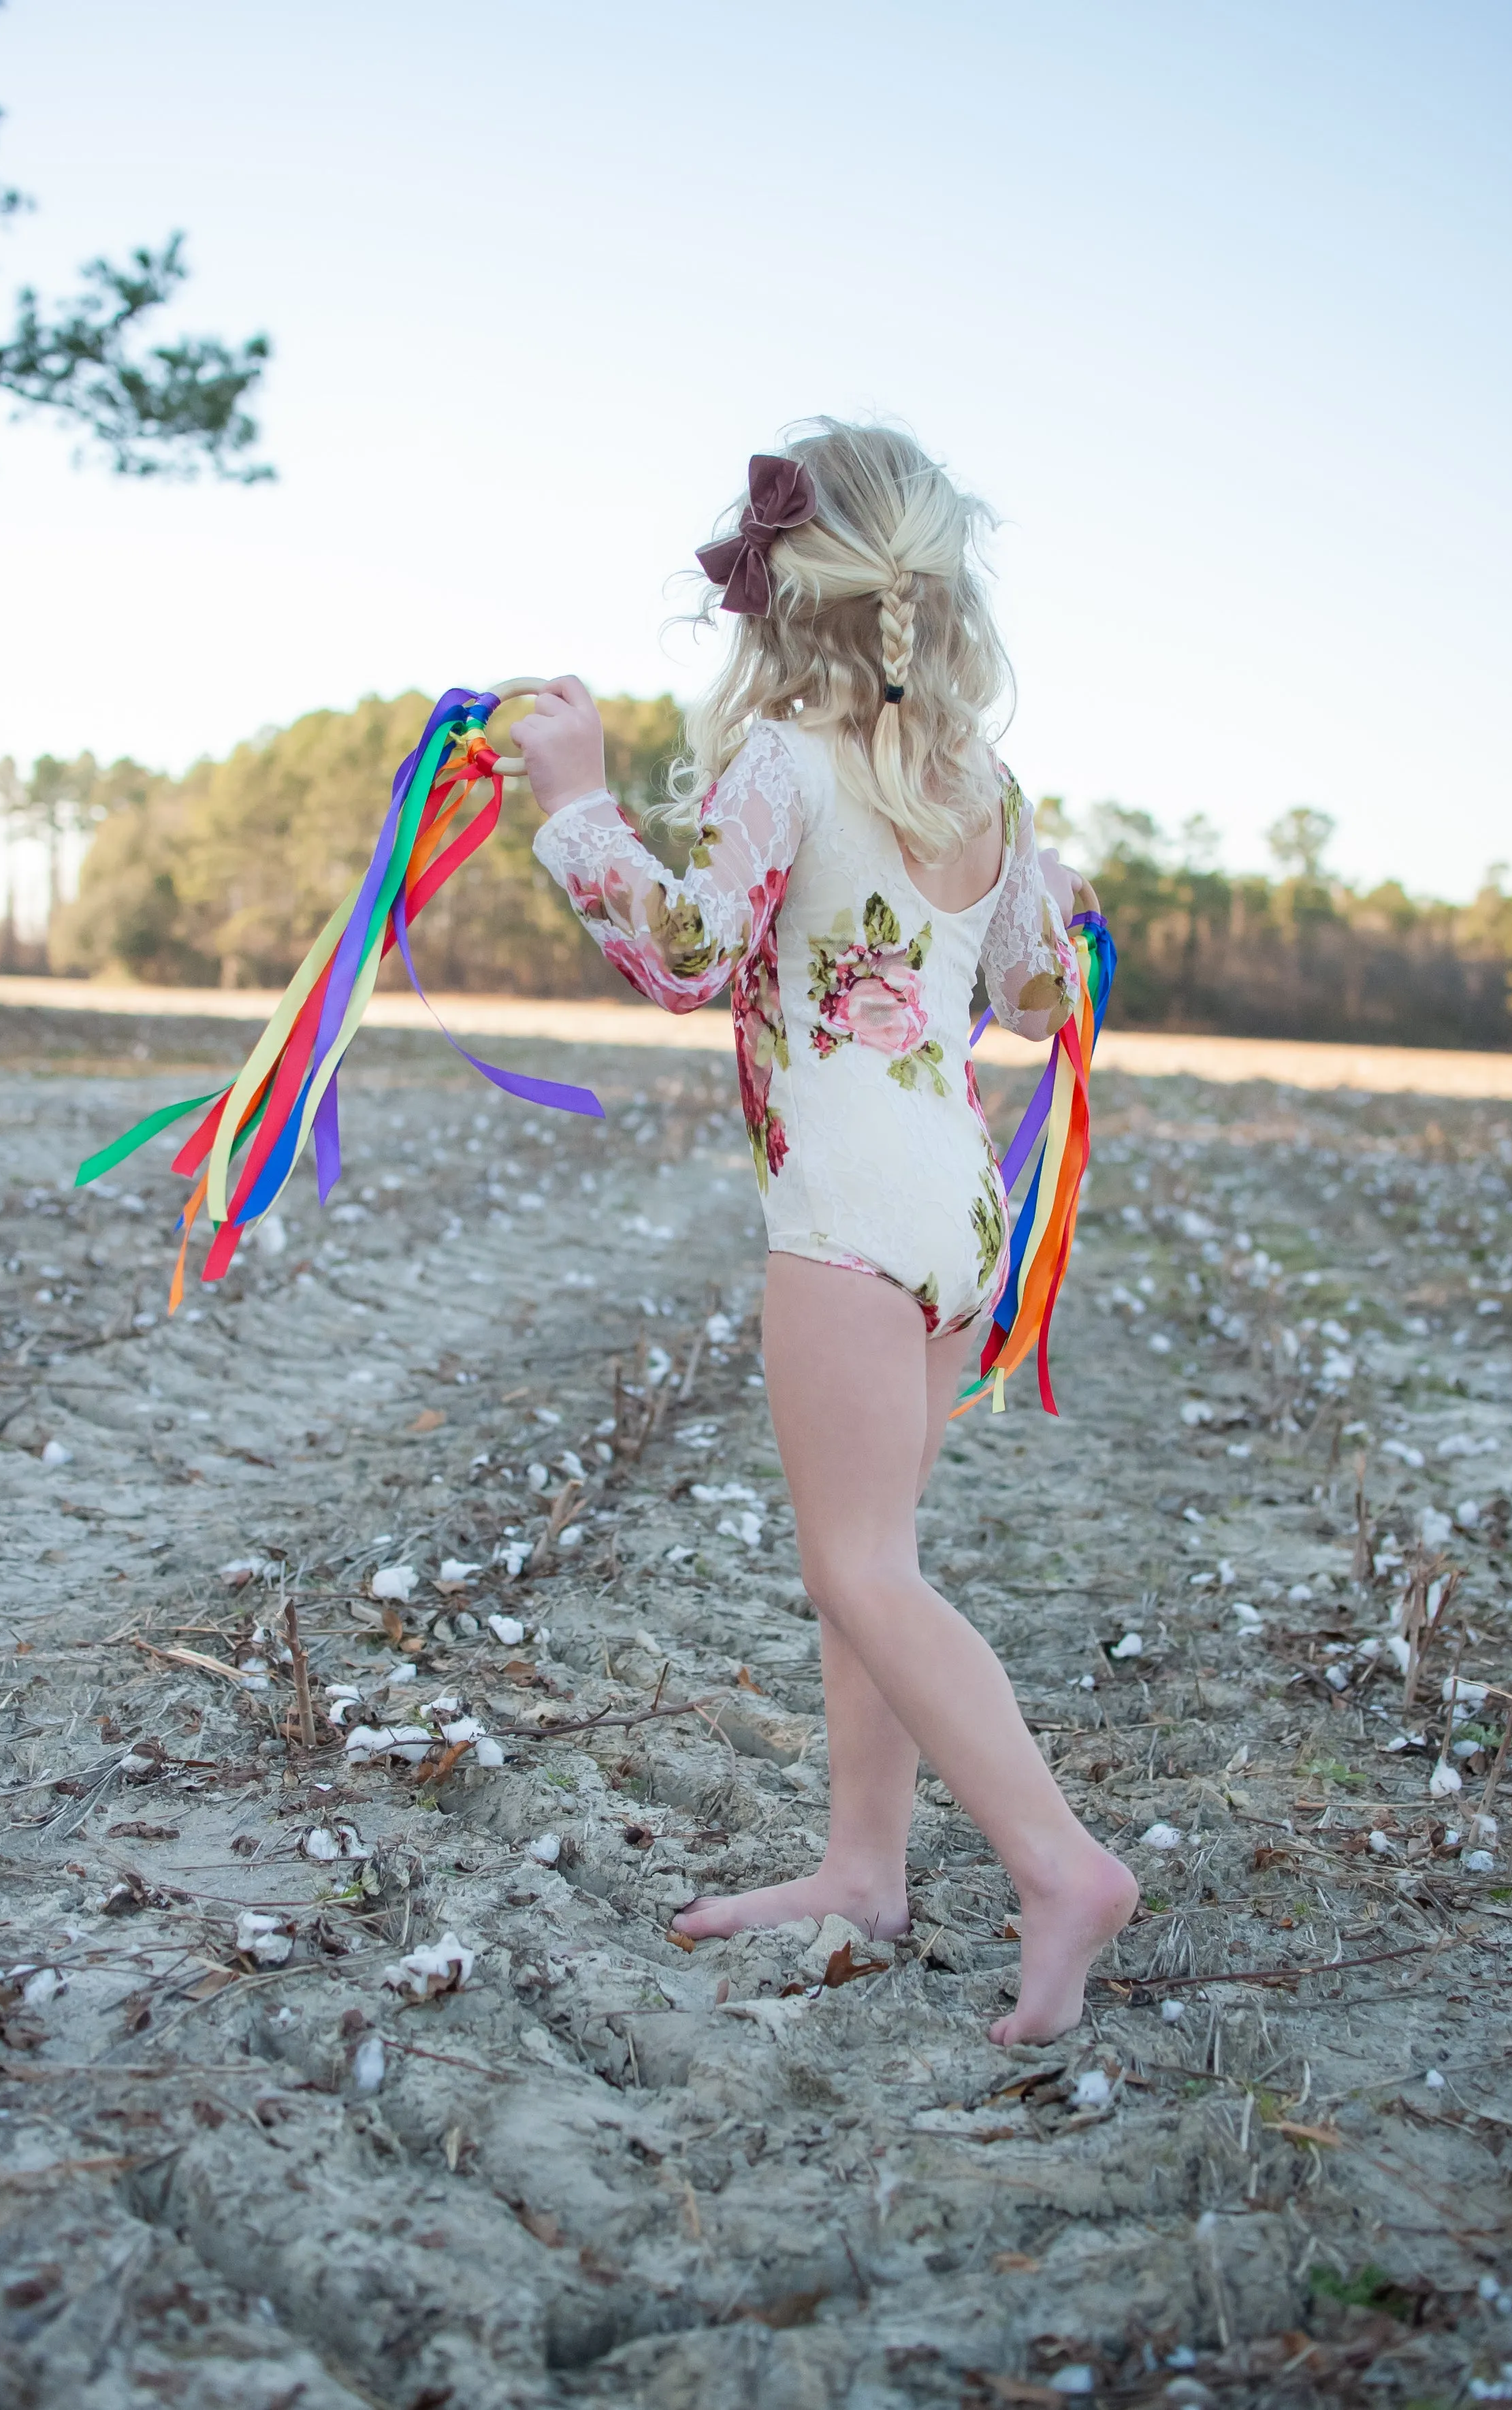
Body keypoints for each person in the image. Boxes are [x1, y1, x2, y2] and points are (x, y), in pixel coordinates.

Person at [513, 421, 1138, 2044]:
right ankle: (865, 1866)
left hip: (848, 1217)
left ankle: (1061, 1864)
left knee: (859, 1564)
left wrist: (579, 806)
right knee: (872, 1567)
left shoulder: (784, 760)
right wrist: (1060, 915)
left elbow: (685, 958)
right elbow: (1027, 996)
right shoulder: (979, 784)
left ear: (787, 593)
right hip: (958, 1206)